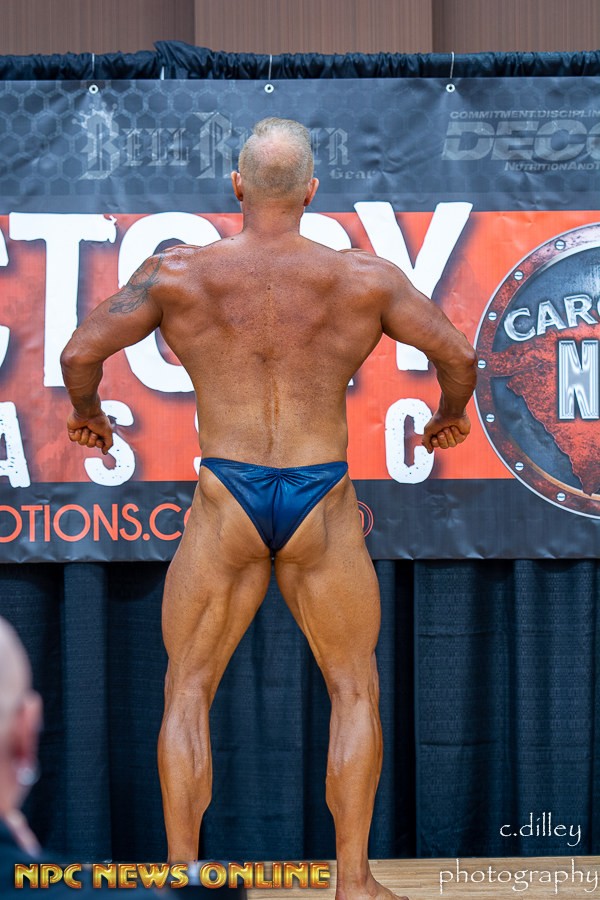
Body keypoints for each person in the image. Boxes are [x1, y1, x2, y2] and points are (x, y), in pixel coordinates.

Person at [61, 117, 477, 900]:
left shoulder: (178, 273)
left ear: (238, 186)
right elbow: (459, 356)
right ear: (313, 190)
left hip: (228, 496)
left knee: (187, 689)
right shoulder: (365, 278)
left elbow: (80, 352)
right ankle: (352, 882)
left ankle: (183, 879)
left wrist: (90, 416)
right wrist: (445, 418)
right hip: (321, 496)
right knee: (354, 690)